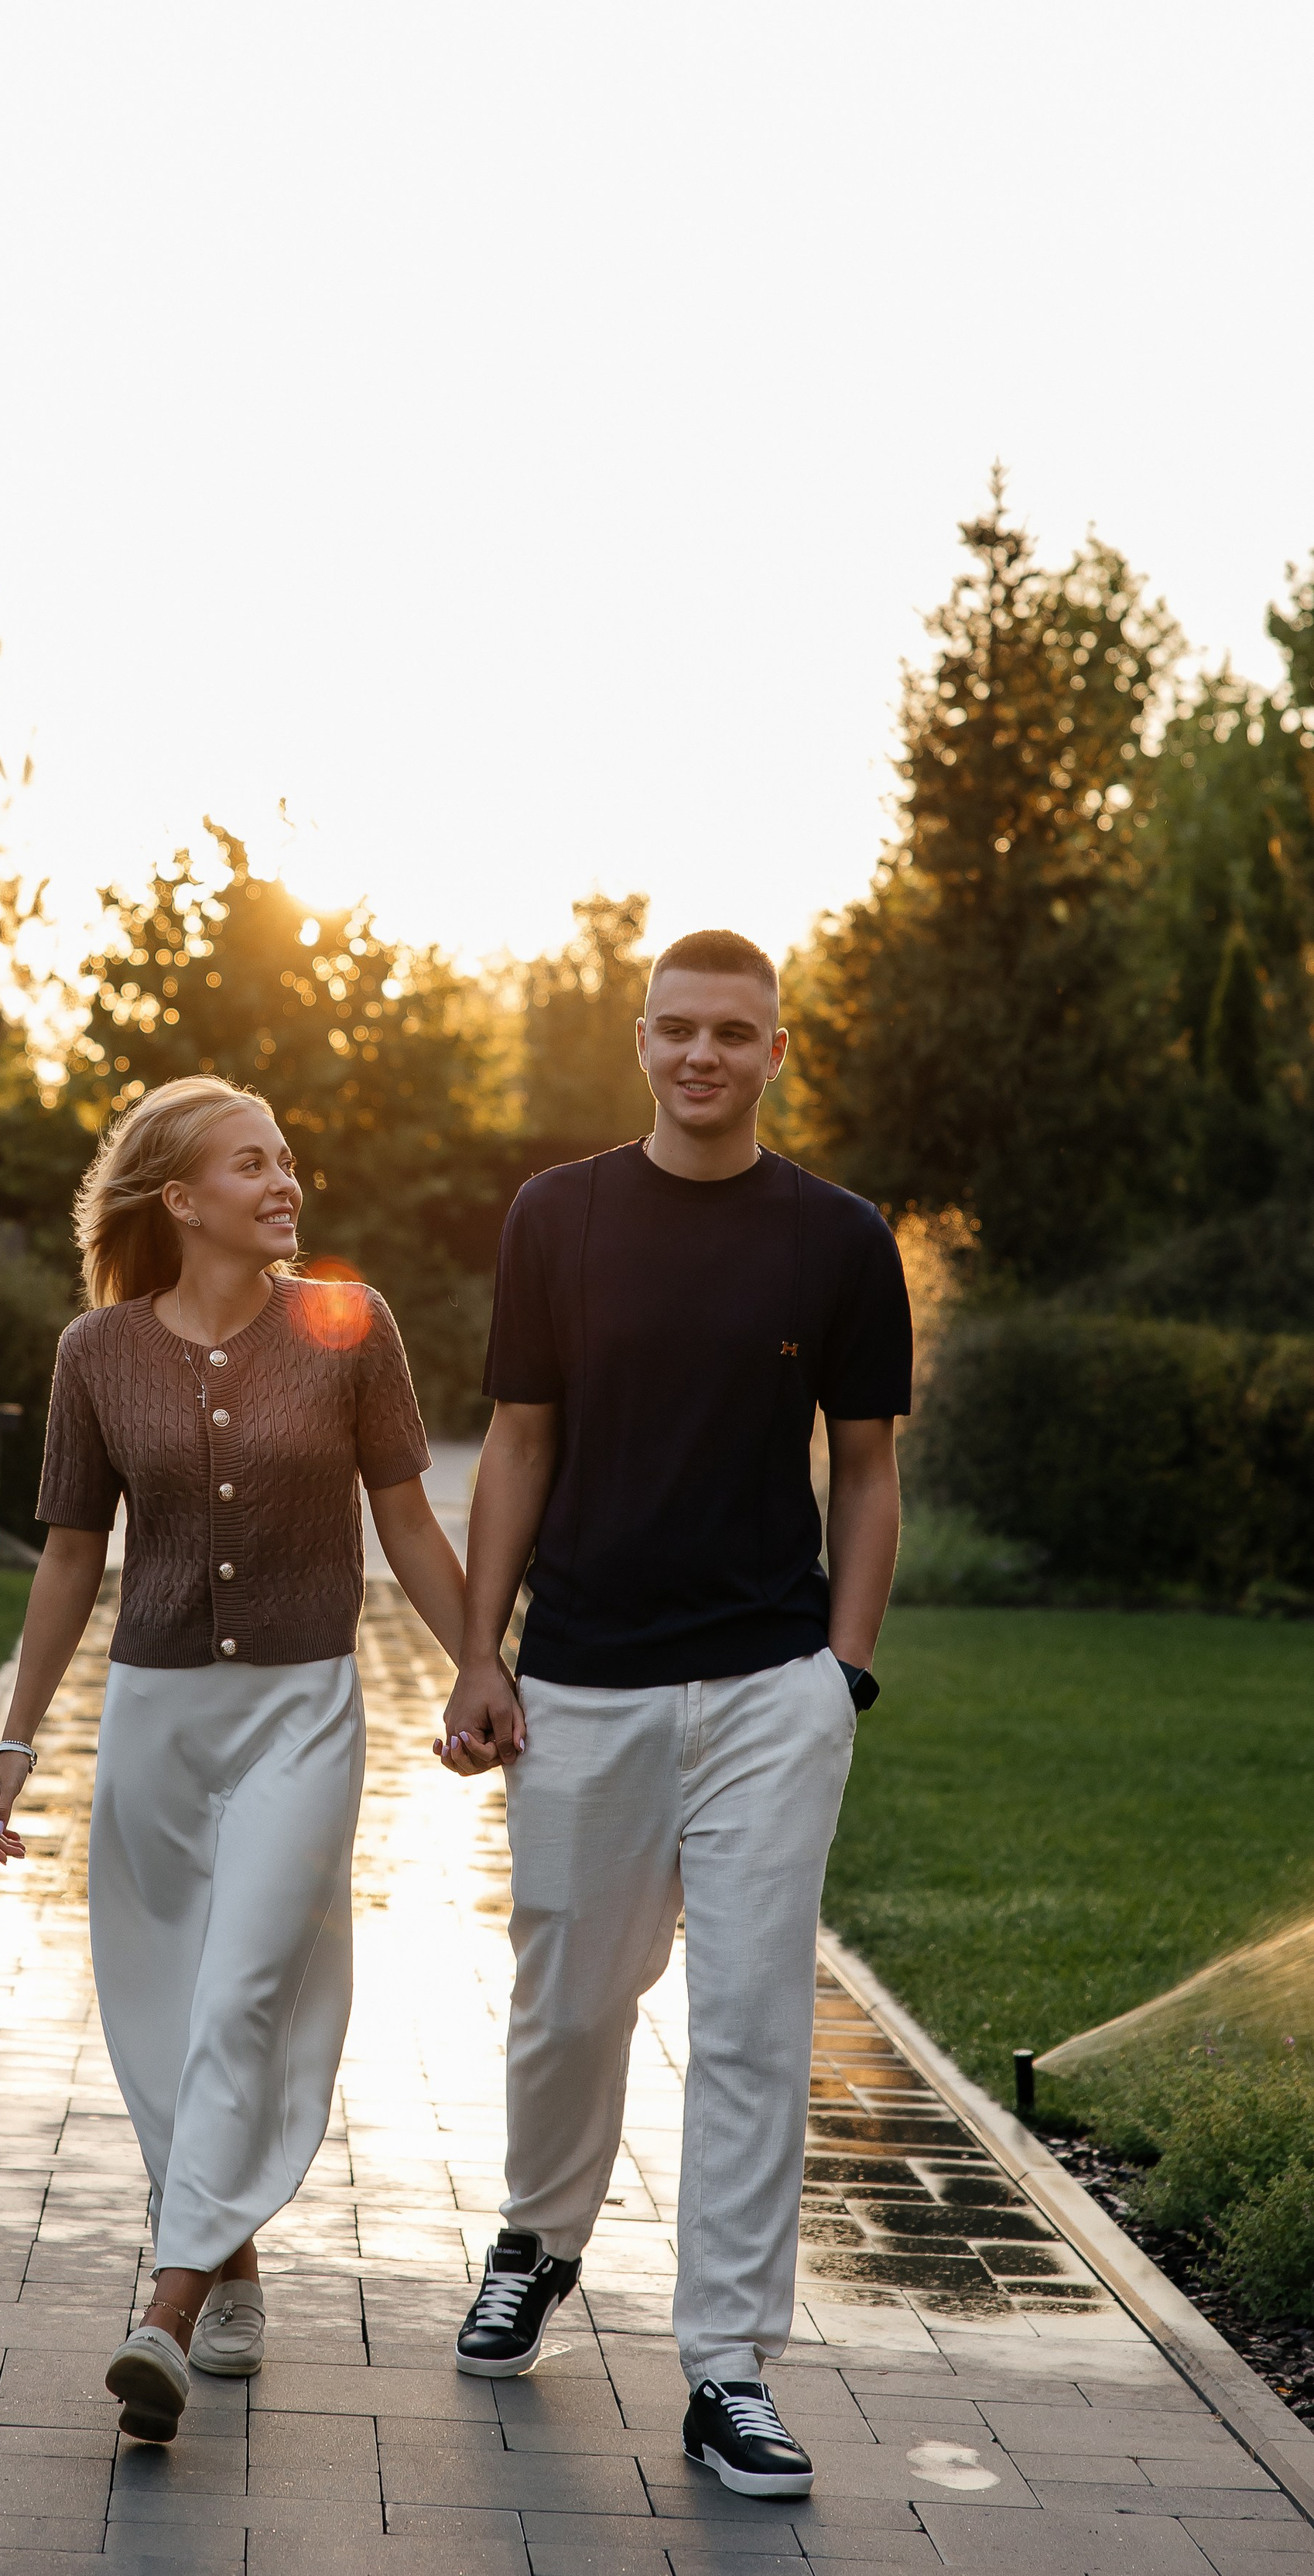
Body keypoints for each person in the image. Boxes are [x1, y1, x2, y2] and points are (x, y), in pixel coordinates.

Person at [440, 928, 911, 2502]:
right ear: (635, 1043)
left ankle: (724, 2367)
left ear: (777, 1050)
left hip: (772, 1686)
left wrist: (838, 1674)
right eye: (675, 1029)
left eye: (734, 1031)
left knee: (753, 2026)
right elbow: (515, 1441)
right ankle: (540, 2235)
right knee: (570, 2000)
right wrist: (476, 1654)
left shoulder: (836, 1239)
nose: (702, 1053)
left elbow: (864, 1465)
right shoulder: (557, 1218)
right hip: (580, 1674)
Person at [0, 1075, 466, 2446]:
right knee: (161, 2017)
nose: (283, 1181)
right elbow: (72, 1555)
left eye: (287, 1158)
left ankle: (167, 2312)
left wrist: (487, 1661)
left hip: (305, 1712)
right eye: (250, 1164)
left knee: (249, 1988)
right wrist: (18, 1737)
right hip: (155, 1721)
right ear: (181, 1198)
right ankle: (236, 2261)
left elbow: (412, 1526)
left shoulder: (349, 1327)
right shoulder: (96, 1352)